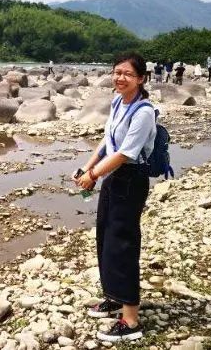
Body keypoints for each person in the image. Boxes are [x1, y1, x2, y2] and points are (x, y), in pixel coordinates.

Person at [73, 52, 156, 343]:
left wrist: (93, 175)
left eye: (128, 74)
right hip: (113, 177)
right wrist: (88, 166)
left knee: (123, 244)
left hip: (131, 180)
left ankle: (131, 320)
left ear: (141, 78)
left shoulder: (144, 111)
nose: (120, 78)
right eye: (117, 72)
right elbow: (107, 140)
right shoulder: (118, 102)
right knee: (106, 238)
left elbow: (124, 154)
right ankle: (114, 297)